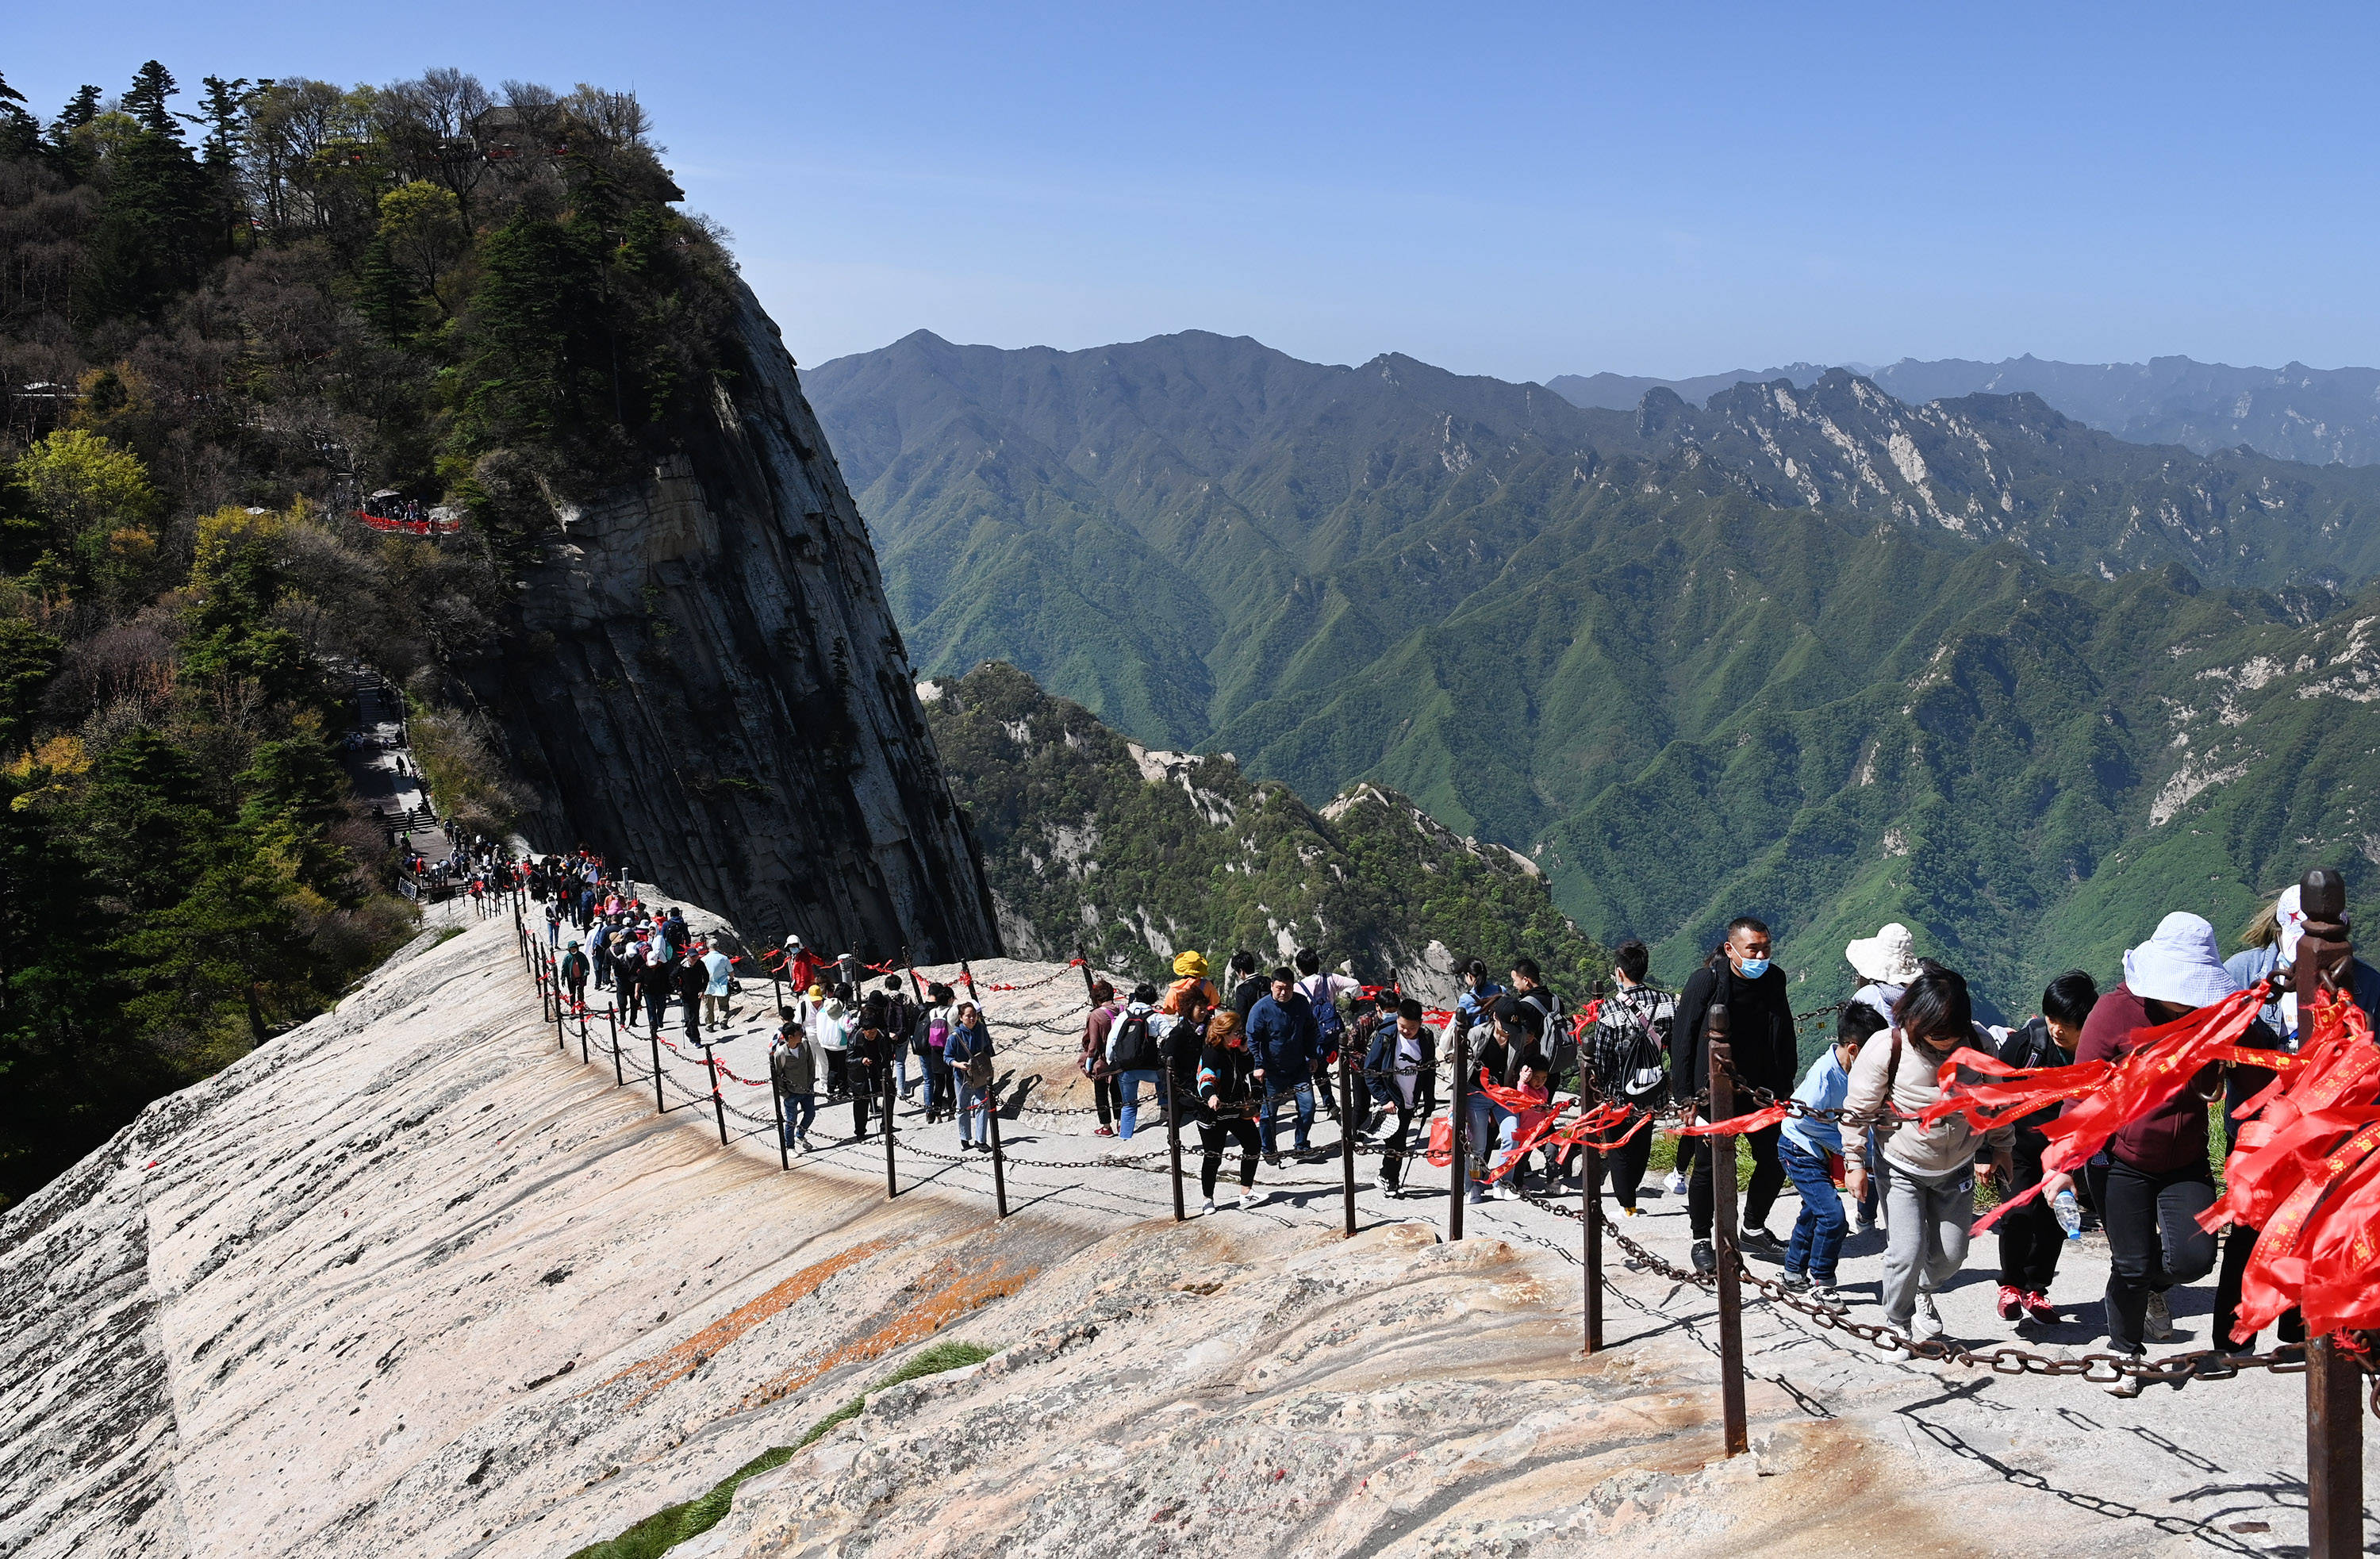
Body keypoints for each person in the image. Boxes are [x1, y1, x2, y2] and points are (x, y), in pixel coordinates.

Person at [2044, 913, 2234, 1394]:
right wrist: (2064, 1166)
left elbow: (2226, 1076)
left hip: (2185, 1158)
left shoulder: (2209, 1014)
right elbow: (2079, 1092)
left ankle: (2153, 1288)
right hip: (2121, 1159)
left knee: (2193, 1261)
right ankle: (2123, 1351)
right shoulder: (2113, 1013)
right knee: (2129, 1263)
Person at [1844, 960, 2015, 1343]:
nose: (1943, 1042)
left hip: (1957, 1166)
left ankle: (1922, 1290)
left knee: (1952, 1257)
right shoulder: (1888, 1046)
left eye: (1949, 1033)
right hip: (1900, 1165)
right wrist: (1854, 1162)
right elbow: (1857, 1110)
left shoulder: (1979, 1045)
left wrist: (2003, 1148)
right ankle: (1896, 1322)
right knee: (1905, 1251)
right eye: (1935, 1033)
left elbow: (1996, 1103)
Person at [1672, 917, 1799, 1273]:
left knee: (1775, 1160)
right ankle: (1701, 1240)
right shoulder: (1707, 981)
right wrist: (1685, 1097)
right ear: (1731, 950)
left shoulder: (1775, 979)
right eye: (1752, 949)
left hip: (1761, 1091)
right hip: (1711, 1091)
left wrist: (1785, 1087)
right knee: (1708, 1167)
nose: (1761, 955)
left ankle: (1753, 1227)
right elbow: (1682, 1040)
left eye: (1766, 948)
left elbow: (1784, 1033)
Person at [1994, 971, 2097, 1325]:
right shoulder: (2028, 1045)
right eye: (2052, 1019)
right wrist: (1986, 1152)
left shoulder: (2096, 1053)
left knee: (2053, 1222)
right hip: (2018, 1147)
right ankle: (2010, 1285)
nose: (2057, 1030)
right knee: (2018, 1215)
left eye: (2067, 1023)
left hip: (2065, 1156)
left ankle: (2036, 1290)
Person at [1779, 1005, 1885, 1300]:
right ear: (1854, 1049)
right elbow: (1804, 1120)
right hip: (1800, 1148)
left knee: (1815, 1210)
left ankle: (1792, 1272)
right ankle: (1822, 1280)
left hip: (1826, 1148)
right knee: (1833, 1216)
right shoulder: (1824, 1076)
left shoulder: (1856, 1071)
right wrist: (1852, 1153)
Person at [1584, 940, 1675, 1215]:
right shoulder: (1667, 1003)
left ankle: (1628, 1206)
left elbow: (1601, 1058)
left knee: (1619, 1149)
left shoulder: (1610, 1010)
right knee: (1642, 1142)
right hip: (1653, 1087)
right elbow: (1677, 1044)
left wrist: (1603, 1085)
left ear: (1619, 973)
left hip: (1619, 1094)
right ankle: (1631, 1198)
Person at [1844, 922, 1921, 1232]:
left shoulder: (1869, 995)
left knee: (1878, 1147)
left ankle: (1868, 1214)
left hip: (1877, 1075)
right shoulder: (1919, 994)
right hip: (1911, 1080)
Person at [1468, 996, 1549, 1201]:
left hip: (1503, 1094)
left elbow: (1518, 1061)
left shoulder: (1518, 1035)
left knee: (1513, 1135)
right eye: (1504, 1027)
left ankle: (1503, 1182)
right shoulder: (1477, 1035)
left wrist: (1523, 1071)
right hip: (1477, 1093)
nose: (1506, 1032)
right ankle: (1473, 1185)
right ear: (1495, 1017)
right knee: (1478, 1144)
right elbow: (1462, 1070)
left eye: (1511, 1028)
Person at [1245, 966, 1321, 1164]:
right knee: (1269, 1113)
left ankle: (1302, 1145)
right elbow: (1252, 1038)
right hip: (1272, 1070)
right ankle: (1268, 1149)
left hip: (1299, 1068)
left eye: (1288, 988)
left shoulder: (1301, 1003)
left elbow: (1311, 1029)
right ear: (1272, 986)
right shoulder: (1261, 1008)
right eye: (1279, 988)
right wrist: (1258, 1065)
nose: (1283, 992)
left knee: (1308, 1106)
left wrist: (1312, 1056)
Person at [1367, 997, 1438, 1196]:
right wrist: (1383, 1099)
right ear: (1397, 1019)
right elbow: (1370, 1071)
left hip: (1410, 1099)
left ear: (1420, 1024)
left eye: (1412, 1028)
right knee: (1396, 1143)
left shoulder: (1425, 1039)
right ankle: (1392, 1182)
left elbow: (1429, 1071)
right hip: (1390, 1099)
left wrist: (1429, 1098)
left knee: (1397, 1143)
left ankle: (1384, 1174)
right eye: (1402, 1026)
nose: (1406, 1031)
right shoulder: (1386, 1036)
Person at [1196, 1010, 1262, 1212]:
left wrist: (1243, 1051)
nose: (1240, 1035)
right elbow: (1205, 1078)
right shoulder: (1212, 1053)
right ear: (1224, 1033)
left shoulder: (1233, 1050)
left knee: (1253, 1144)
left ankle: (1246, 1192)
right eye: (1236, 1032)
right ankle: (1208, 1198)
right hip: (1213, 1111)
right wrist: (1211, 1096)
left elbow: (1245, 1069)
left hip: (1234, 1109)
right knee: (1213, 1156)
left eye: (1240, 1031)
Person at [1107, 985, 1167, 1139]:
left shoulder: (1123, 1016)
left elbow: (1112, 1040)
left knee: (1128, 1105)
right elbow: (1169, 1035)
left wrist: (1111, 1061)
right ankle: (1165, 1107)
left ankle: (1125, 1137)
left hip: (1126, 1068)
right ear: (1153, 999)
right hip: (1150, 1069)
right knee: (1165, 1075)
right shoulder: (1155, 1016)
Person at [770, 1006, 819, 1152]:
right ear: (790, 1037)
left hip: (807, 1089)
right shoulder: (781, 1053)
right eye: (799, 1034)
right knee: (791, 1121)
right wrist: (785, 1093)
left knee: (810, 1114)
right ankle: (789, 1146)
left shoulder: (804, 1045)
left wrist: (810, 1083)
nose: (802, 1036)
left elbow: (811, 1064)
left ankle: (801, 1134)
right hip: (791, 1093)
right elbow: (777, 1075)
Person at [948, 1001, 995, 1151]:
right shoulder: (954, 1036)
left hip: (980, 1075)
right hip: (962, 1077)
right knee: (963, 1107)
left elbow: (988, 1048)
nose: (972, 1019)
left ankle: (981, 1141)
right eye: (968, 1016)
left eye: (974, 1016)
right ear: (961, 1018)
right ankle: (964, 1137)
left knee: (983, 1104)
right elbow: (947, 1057)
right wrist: (959, 1064)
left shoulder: (981, 1029)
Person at [1082, 981, 1126, 1137]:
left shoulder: (1096, 1015)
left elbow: (1093, 1043)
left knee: (1101, 1093)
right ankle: (1122, 1123)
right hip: (1119, 1058)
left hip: (1102, 1060)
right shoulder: (1122, 1009)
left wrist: (1088, 1063)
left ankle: (1106, 1126)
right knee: (1117, 1090)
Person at [846, 1016, 885, 1139]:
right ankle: (860, 1132)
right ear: (863, 1031)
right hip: (860, 1077)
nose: (873, 1035)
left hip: (877, 1073)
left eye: (875, 1032)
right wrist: (861, 1060)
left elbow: (885, 1053)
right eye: (870, 1033)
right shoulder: (854, 1040)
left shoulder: (881, 1037)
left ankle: (886, 1125)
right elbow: (848, 1061)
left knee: (889, 1097)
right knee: (861, 1106)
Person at [1161, 951, 1222, 1016]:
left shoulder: (1175, 988)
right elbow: (1216, 1003)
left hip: (1185, 1023)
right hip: (1204, 1021)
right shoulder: (1208, 985)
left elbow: (1169, 1011)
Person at [674, 947, 707, 1047]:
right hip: (685, 994)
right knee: (692, 1017)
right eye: (692, 957)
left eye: (696, 956)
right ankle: (696, 1040)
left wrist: (703, 989)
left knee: (694, 1016)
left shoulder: (700, 964)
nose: (695, 959)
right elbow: (672, 977)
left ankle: (689, 1032)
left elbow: (706, 977)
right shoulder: (682, 966)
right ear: (688, 957)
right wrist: (678, 989)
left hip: (697, 993)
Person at [701, 940, 735, 1030]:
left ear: (708, 947)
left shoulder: (703, 959)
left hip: (708, 986)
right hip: (722, 985)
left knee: (708, 1007)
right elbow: (731, 972)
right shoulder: (723, 958)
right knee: (724, 1006)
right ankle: (723, 1022)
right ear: (718, 946)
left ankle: (709, 1025)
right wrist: (731, 978)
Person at [1227, 951, 1268, 1019]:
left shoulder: (1242, 989)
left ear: (1241, 971)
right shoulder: (1268, 981)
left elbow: (1242, 1015)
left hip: (1255, 1026)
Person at [559, 938, 589, 1012]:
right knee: (572, 994)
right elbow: (564, 968)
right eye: (571, 949)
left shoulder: (582, 956)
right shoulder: (567, 958)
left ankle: (581, 1005)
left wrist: (585, 974)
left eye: (574, 948)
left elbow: (586, 965)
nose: (573, 950)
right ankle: (573, 1008)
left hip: (581, 977)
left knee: (581, 993)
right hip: (571, 978)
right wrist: (563, 978)